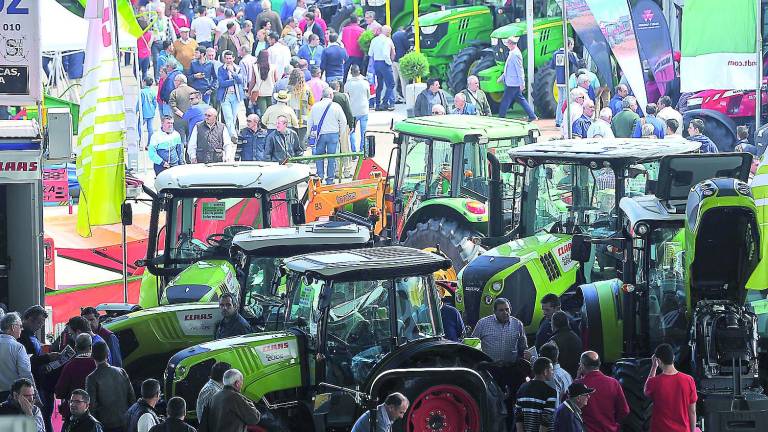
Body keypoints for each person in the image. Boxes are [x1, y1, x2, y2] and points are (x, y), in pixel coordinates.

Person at [18, 306, 58, 432]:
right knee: (40, 417)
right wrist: (47, 357)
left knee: (45, 416)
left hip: (41, 381)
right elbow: (27, 361)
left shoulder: (31, 336)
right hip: (32, 383)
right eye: (40, 322)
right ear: (30, 319)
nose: (41, 326)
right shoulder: (22, 337)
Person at [644, 343, 697, 432]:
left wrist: (654, 367)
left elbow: (646, 391)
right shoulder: (689, 380)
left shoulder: (654, 382)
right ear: (673, 357)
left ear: (659, 361)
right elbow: (692, 411)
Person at [85, 342, 134, 432]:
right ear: (108, 354)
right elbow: (131, 397)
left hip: (105, 425)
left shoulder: (91, 378)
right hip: (125, 421)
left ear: (92, 355)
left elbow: (91, 406)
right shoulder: (121, 372)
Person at [576, 351, 629, 432]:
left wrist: (577, 379)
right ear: (599, 364)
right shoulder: (613, 383)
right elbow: (624, 411)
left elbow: (567, 408)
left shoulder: (577, 384)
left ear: (582, 366)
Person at [56, 334, 97, 426]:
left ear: (75, 347)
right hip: (95, 413)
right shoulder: (97, 365)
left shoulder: (69, 366)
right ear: (91, 347)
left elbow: (59, 392)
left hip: (74, 414)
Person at [308, 87, 347, 184]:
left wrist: (310, 134)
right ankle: (330, 179)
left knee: (319, 156)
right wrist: (340, 133)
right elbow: (343, 121)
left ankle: (320, 177)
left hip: (319, 135)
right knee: (332, 158)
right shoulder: (336, 106)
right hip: (333, 134)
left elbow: (310, 122)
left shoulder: (315, 106)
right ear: (331, 95)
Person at [472, 298, 528, 362]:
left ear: (510, 310)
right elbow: (473, 344)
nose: (505, 312)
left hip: (511, 366)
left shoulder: (518, 324)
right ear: (495, 311)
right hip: (489, 365)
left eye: (507, 309)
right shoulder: (482, 323)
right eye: (501, 310)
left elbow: (523, 347)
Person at [498, 36, 537, 121]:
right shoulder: (513, 53)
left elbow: (519, 69)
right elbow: (509, 68)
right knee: (520, 99)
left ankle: (501, 117)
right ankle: (532, 115)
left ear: (511, 44)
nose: (507, 45)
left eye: (508, 43)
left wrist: (522, 83)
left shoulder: (515, 54)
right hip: (512, 82)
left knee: (505, 100)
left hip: (513, 83)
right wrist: (502, 77)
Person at [514, 357, 557, 432]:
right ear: (545, 371)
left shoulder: (522, 388)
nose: (553, 372)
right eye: (552, 370)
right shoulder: (550, 392)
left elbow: (518, 416)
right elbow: (545, 420)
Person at [0, 312, 33, 402]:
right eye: (20, 326)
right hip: (11, 396)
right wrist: (34, 395)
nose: (22, 329)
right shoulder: (18, 347)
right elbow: (25, 374)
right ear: (13, 327)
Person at [548, 37, 578, 127]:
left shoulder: (556, 53)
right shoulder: (569, 54)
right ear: (569, 45)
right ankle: (563, 121)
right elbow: (577, 63)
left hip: (559, 80)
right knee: (566, 101)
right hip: (567, 80)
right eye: (572, 44)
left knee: (560, 101)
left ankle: (558, 120)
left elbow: (552, 66)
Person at [330, 80, 355, 178]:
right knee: (345, 148)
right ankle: (347, 171)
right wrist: (351, 124)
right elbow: (349, 112)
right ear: (338, 87)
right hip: (343, 126)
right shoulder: (343, 97)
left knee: (335, 150)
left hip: (331, 127)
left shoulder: (326, 97)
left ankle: (337, 172)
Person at [216, 50, 245, 137]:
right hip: (225, 96)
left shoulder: (238, 68)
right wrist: (234, 81)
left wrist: (233, 72)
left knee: (234, 116)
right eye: (227, 58)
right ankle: (233, 135)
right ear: (224, 59)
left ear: (233, 58)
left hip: (235, 96)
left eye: (230, 58)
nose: (229, 60)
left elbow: (240, 80)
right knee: (228, 116)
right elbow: (221, 83)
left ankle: (229, 134)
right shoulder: (221, 69)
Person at [368, 25, 397, 111]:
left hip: (376, 63)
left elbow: (370, 53)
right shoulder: (387, 40)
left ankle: (377, 104)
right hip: (384, 63)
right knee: (391, 84)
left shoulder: (374, 40)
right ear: (388, 32)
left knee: (379, 85)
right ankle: (384, 103)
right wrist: (389, 63)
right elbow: (385, 54)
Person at [345, 64, 371, 153]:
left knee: (352, 131)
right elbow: (368, 96)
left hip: (353, 111)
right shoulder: (365, 83)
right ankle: (362, 150)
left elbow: (346, 98)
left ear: (351, 73)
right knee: (364, 132)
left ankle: (353, 151)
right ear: (359, 72)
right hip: (363, 110)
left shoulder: (347, 84)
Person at [550, 312, 582, 378]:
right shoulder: (576, 337)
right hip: (575, 375)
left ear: (553, 324)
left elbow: (548, 362)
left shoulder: (554, 341)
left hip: (560, 376)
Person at [287, 68, 315, 145]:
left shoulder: (288, 89)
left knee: (291, 141)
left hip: (290, 117)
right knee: (301, 141)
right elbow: (312, 102)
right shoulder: (307, 89)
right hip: (303, 118)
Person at [151, 3, 176, 81]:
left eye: (160, 12)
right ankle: (157, 78)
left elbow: (172, 31)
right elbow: (149, 31)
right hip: (155, 43)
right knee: (156, 60)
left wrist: (174, 42)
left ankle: (165, 77)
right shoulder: (152, 19)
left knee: (166, 60)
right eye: (157, 12)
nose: (158, 14)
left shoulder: (167, 20)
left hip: (165, 42)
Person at [249, 50, 279, 116]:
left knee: (263, 113)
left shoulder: (255, 67)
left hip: (260, 93)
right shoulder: (273, 67)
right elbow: (276, 80)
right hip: (271, 92)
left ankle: (264, 125)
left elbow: (253, 81)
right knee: (271, 112)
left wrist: (249, 91)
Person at [169, 74, 197, 142]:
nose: (174, 82)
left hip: (179, 120)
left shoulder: (174, 92)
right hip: (191, 119)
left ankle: (181, 153)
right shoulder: (193, 91)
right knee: (191, 141)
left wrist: (182, 115)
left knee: (179, 141)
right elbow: (197, 105)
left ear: (179, 81)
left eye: (175, 81)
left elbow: (173, 106)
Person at [341, 15, 365, 80]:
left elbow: (342, 41)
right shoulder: (362, 31)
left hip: (347, 54)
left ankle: (343, 86)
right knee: (358, 73)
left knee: (344, 73)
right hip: (358, 54)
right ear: (358, 21)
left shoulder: (345, 30)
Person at [391, 26, 409, 102]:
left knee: (394, 80)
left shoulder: (393, 35)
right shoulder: (404, 35)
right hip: (401, 60)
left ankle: (394, 97)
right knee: (404, 80)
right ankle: (406, 98)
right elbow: (407, 46)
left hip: (393, 60)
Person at [140, 78, 159, 146]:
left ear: (144, 82)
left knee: (139, 127)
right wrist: (154, 109)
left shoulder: (142, 92)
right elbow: (155, 103)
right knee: (150, 128)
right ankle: (149, 143)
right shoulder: (153, 91)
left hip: (144, 112)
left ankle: (138, 142)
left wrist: (137, 110)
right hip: (151, 112)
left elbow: (139, 103)